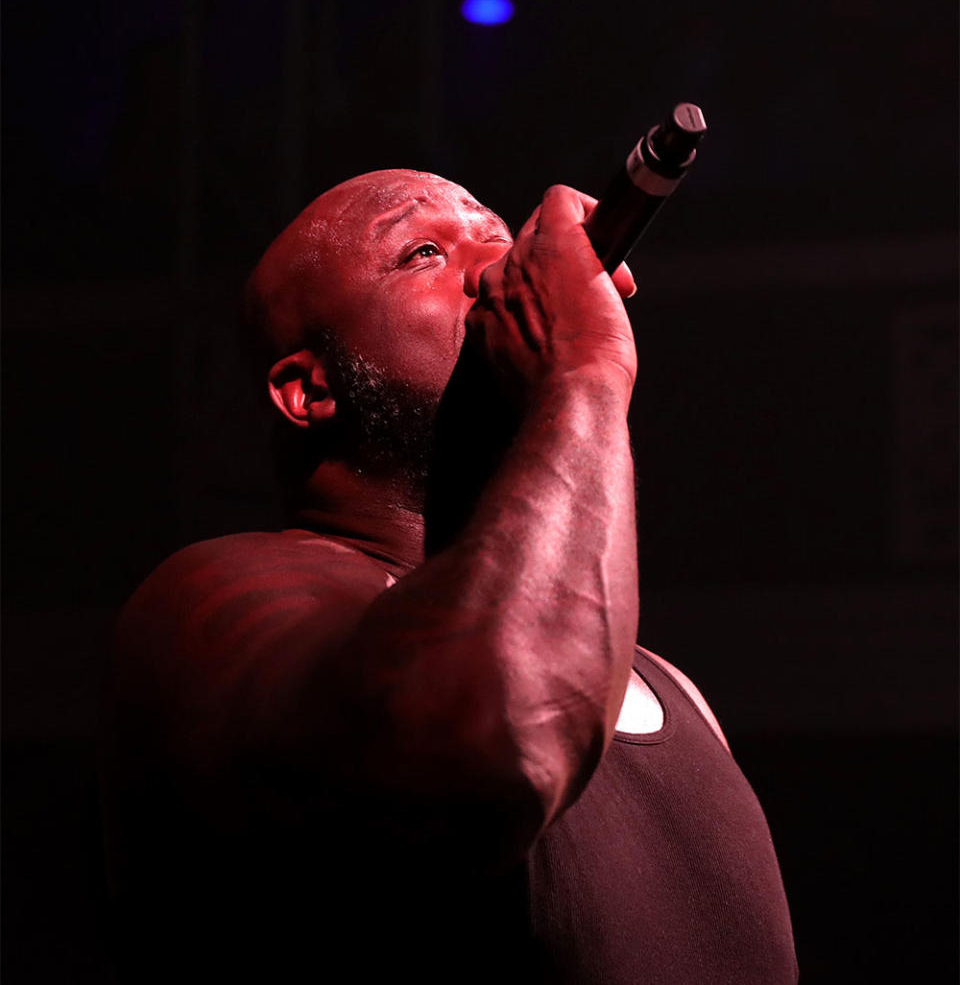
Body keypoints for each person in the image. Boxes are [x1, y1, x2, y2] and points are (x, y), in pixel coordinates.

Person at [98, 170, 798, 984]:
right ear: (308, 388)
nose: (500, 270)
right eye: (423, 251)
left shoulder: (668, 684)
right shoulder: (206, 601)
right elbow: (498, 748)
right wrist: (584, 369)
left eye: (499, 237)